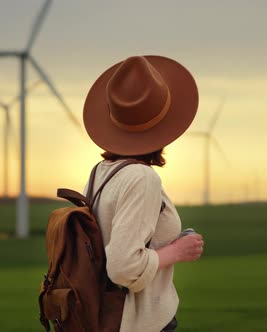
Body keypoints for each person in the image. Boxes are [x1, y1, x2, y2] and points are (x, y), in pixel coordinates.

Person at [82, 55, 205, 332]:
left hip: (101, 319)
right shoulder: (141, 177)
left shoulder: (100, 172)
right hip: (137, 324)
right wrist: (176, 251)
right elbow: (123, 267)